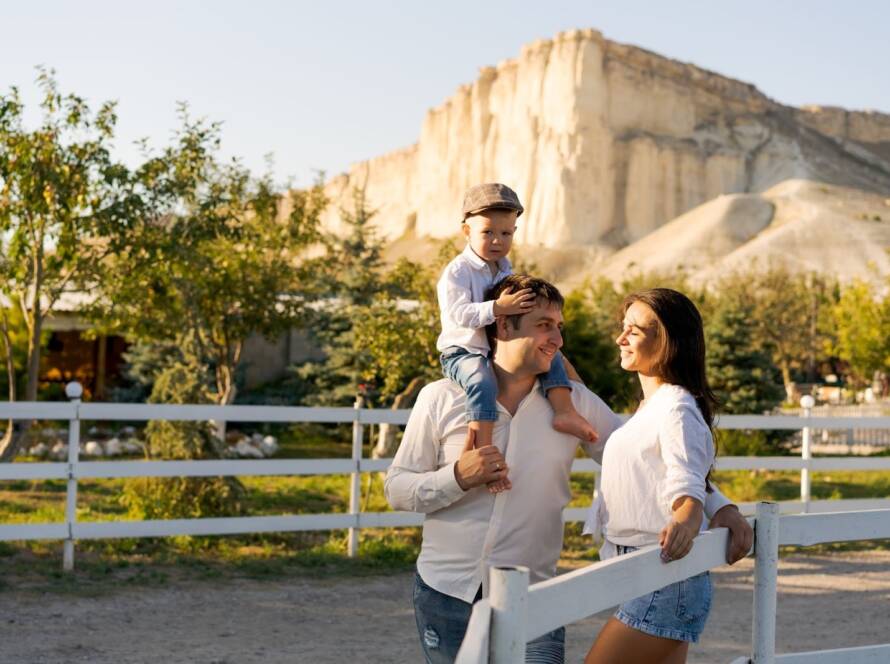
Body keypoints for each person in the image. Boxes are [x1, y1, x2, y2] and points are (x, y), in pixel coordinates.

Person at [385, 275, 753, 664]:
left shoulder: (574, 406)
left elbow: (649, 457)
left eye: (559, 328)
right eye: (544, 325)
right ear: (504, 324)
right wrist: (457, 477)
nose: (558, 340)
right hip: (446, 591)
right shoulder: (440, 398)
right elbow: (397, 488)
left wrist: (719, 506)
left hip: (535, 597)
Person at [584, 288, 723, 664]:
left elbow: (688, 485)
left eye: (635, 330)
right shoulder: (653, 407)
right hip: (649, 572)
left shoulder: (675, 407)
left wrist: (687, 516)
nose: (620, 338)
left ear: (666, 342)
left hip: (662, 573)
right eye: (623, 327)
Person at [436, 183, 596, 491]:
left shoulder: (504, 267)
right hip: (464, 351)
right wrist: (499, 307)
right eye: (488, 233)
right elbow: (458, 315)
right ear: (466, 231)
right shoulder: (457, 273)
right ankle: (483, 452)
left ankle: (565, 411)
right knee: (482, 382)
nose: (497, 240)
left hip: (492, 348)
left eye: (506, 233)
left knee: (553, 358)